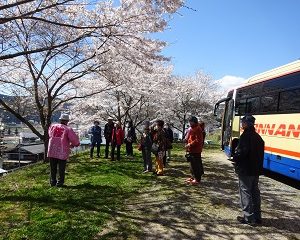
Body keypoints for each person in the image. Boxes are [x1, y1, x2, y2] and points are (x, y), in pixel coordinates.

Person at [233, 115, 264, 226]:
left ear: (246, 124)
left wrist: (235, 157)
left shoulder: (245, 136)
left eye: (243, 122)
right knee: (255, 192)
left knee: (245, 192)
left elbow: (241, 153)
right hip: (256, 170)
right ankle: (257, 217)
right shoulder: (258, 137)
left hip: (246, 170)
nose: (242, 123)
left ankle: (249, 218)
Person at [47, 113, 80, 187]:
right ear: (67, 121)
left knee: (53, 167)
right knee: (61, 168)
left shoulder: (52, 127)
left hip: (52, 150)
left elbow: (49, 135)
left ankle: (53, 182)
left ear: (60, 120)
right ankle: (60, 183)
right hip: (62, 151)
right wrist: (75, 144)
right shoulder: (68, 129)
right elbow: (74, 140)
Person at [185, 116, 204, 185]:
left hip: (196, 150)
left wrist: (190, 144)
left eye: (191, 122)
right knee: (191, 165)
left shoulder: (198, 129)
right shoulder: (192, 128)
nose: (189, 123)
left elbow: (198, 140)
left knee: (195, 165)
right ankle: (193, 177)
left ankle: (197, 179)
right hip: (192, 149)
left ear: (194, 122)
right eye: (189, 122)